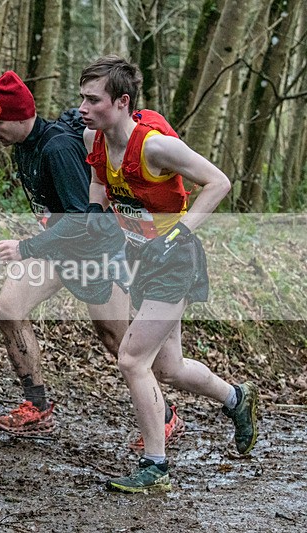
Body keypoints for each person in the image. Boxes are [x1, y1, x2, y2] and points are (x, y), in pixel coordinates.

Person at [79, 55, 259, 493]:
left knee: (131, 358)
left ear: (122, 102)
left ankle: (156, 466)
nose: (82, 107)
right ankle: (236, 398)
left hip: (174, 260)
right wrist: (93, 214)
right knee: (170, 368)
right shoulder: (94, 137)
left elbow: (218, 182)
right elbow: (101, 181)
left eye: (92, 99)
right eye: (81, 97)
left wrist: (178, 233)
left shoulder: (156, 146)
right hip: (141, 257)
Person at [0, 70, 184, 449]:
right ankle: (36, 405)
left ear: (18, 116)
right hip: (57, 249)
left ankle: (165, 415)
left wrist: (26, 247)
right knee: (9, 309)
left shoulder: (57, 149)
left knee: (119, 342)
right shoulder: (23, 146)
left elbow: (81, 219)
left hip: (96, 250)